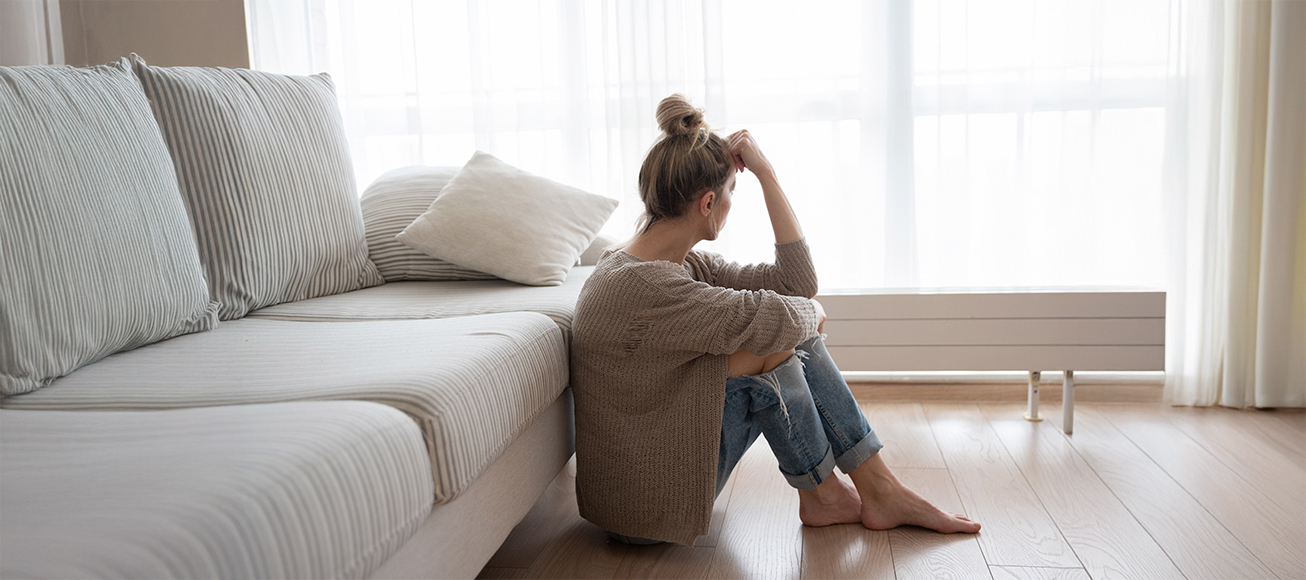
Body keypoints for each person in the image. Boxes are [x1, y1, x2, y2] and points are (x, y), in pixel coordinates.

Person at [570, 94, 981, 546]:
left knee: (778, 337)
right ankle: (863, 491)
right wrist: (815, 314)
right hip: (647, 508)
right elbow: (790, 312)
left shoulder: (669, 266)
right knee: (778, 342)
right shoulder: (649, 289)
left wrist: (767, 176)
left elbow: (796, 281)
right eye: (732, 193)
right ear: (708, 203)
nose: (731, 203)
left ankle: (838, 494)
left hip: (638, 488)